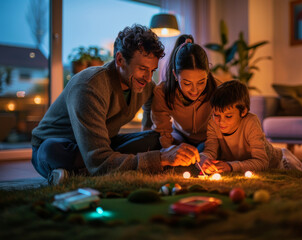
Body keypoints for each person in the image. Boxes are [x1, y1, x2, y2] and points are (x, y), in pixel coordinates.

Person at [31, 25, 200, 185]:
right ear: (120, 59)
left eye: (152, 71)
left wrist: (148, 131)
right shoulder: (89, 86)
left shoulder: (145, 86)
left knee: (154, 139)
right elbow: (97, 158)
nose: (148, 78)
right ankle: (85, 170)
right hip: (62, 147)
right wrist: (160, 158)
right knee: (52, 151)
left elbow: (151, 104)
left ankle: (74, 174)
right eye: (142, 68)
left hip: (102, 145)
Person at [200, 80, 302, 174]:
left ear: (243, 111)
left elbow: (261, 162)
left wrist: (230, 166)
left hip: (280, 160)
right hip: (245, 164)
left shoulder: (251, 122)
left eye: (228, 116)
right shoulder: (213, 123)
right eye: (216, 115)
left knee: (296, 175)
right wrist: (205, 160)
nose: (221, 121)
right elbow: (210, 151)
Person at [150, 34, 218, 152]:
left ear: (207, 73)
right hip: (178, 136)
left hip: (208, 139)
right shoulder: (162, 92)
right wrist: (170, 149)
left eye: (201, 82)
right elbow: (163, 131)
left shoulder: (218, 90)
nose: (195, 90)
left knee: (201, 154)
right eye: (187, 83)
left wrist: (209, 152)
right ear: (175, 75)